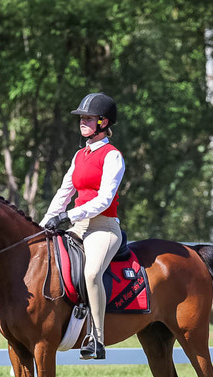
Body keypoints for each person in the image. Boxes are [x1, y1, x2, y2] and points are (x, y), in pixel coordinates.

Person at [41, 93, 125, 360]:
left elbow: (104, 199)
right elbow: (63, 193)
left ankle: (97, 338)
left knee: (91, 274)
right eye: (82, 118)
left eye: (88, 118)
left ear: (103, 122)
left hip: (104, 227)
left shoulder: (113, 156)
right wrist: (42, 225)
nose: (82, 122)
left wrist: (69, 216)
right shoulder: (79, 156)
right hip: (78, 225)